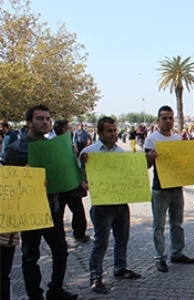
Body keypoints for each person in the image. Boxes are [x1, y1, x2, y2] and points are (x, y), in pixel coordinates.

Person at [3, 105, 78, 300]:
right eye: (40, 119)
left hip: (53, 207)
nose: (45, 122)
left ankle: (56, 289)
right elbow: (8, 184)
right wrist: (26, 175)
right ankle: (35, 295)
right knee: (30, 257)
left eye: (47, 119)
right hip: (31, 211)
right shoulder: (16, 149)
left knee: (61, 250)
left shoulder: (55, 146)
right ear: (29, 122)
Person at [80, 117, 142, 294]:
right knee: (101, 242)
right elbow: (79, 177)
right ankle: (96, 277)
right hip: (102, 205)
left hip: (121, 203)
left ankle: (120, 269)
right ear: (99, 133)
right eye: (109, 131)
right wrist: (82, 168)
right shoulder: (88, 152)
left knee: (122, 238)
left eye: (115, 130)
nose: (113, 134)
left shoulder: (122, 152)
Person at [145, 106, 194, 273]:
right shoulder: (151, 140)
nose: (167, 121)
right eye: (164, 118)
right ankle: (160, 257)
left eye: (170, 118)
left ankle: (177, 252)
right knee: (158, 226)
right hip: (160, 189)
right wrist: (149, 159)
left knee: (177, 223)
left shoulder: (177, 139)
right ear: (158, 120)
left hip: (177, 187)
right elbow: (145, 166)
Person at [53, 120, 90, 243]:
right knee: (65, 212)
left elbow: (75, 163)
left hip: (69, 184)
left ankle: (77, 233)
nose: (71, 130)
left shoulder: (67, 144)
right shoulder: (57, 144)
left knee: (75, 211)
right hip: (64, 184)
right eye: (69, 127)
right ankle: (73, 234)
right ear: (63, 130)